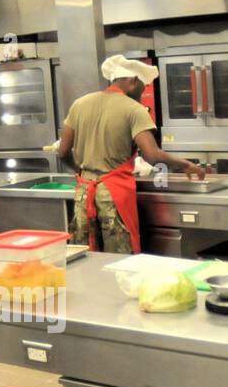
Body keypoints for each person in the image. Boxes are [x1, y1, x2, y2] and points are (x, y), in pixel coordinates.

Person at [57, 55, 206, 253]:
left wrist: (81, 170)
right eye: (143, 88)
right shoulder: (134, 109)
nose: (142, 94)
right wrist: (186, 164)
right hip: (113, 195)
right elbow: (152, 155)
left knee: (86, 255)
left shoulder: (80, 104)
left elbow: (63, 152)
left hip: (84, 194)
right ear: (132, 81)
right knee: (119, 259)